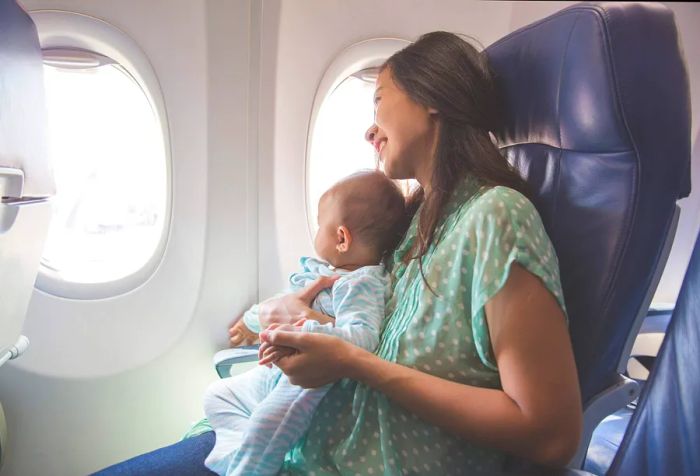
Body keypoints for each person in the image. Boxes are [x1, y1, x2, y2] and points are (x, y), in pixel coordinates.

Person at [93, 31, 582, 475]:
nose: (370, 132)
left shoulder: (497, 217)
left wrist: (349, 362)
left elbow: (549, 435)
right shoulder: (413, 224)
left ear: (431, 99)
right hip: (309, 452)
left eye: (379, 102)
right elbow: (376, 337)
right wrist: (308, 324)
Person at [202, 170, 408, 475]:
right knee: (217, 395)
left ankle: (248, 467)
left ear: (341, 237)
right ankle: (238, 451)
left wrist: (306, 330)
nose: (315, 232)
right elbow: (288, 301)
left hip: (310, 383)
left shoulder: (361, 283)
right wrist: (252, 323)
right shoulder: (323, 272)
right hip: (280, 372)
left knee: (266, 424)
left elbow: (364, 338)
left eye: (319, 225)